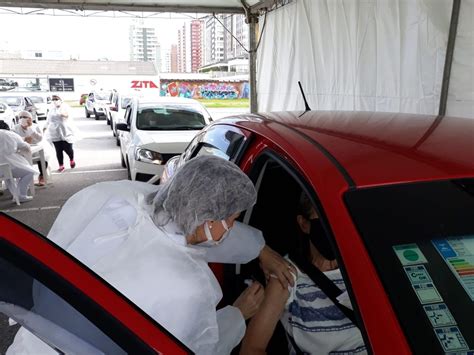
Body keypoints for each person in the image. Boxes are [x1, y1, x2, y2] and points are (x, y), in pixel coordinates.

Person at [8, 155, 296, 354]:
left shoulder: (109, 196)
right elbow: (195, 348)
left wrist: (260, 249)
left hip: (31, 343)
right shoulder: (188, 288)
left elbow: (185, 232)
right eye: (233, 220)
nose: (233, 228)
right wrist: (237, 314)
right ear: (208, 220)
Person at [240, 192, 367, 355]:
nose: (333, 227)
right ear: (304, 224)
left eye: (338, 217)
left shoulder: (364, 266)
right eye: (323, 219)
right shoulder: (287, 273)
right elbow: (251, 349)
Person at [12, 111, 51, 186]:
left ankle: (42, 176)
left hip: (36, 148)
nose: (22, 119)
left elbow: (40, 138)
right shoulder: (15, 128)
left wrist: (29, 128)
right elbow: (13, 139)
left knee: (43, 158)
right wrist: (24, 139)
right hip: (21, 150)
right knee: (18, 160)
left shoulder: (35, 126)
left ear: (30, 118)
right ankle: (24, 179)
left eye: (25, 117)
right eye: (20, 117)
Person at [0, 123, 36, 202]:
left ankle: (15, 195)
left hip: (2, 168)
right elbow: (23, 145)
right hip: (9, 164)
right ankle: (21, 195)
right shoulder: (8, 134)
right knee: (29, 172)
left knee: (8, 177)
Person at [44, 94, 75, 172]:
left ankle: (71, 159)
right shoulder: (51, 110)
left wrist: (62, 114)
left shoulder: (65, 107)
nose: (55, 101)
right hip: (54, 132)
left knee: (68, 148)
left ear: (61, 100)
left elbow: (68, 115)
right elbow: (48, 120)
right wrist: (44, 128)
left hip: (65, 131)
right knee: (58, 150)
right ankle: (61, 165)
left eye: (56, 99)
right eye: (53, 99)